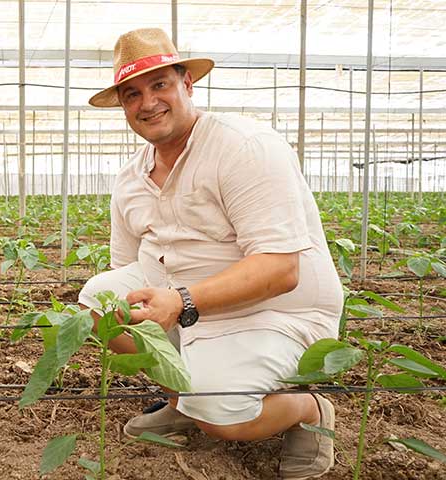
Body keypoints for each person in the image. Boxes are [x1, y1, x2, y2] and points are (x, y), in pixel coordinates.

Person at [79, 28, 342, 479]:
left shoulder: (243, 146)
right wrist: (168, 305)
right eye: (131, 94)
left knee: (223, 412)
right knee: (99, 301)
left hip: (276, 312)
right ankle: (185, 400)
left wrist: (181, 301)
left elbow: (281, 270)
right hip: (192, 310)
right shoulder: (130, 179)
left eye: (160, 84)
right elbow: (125, 269)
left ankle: (309, 410)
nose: (147, 103)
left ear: (188, 85)